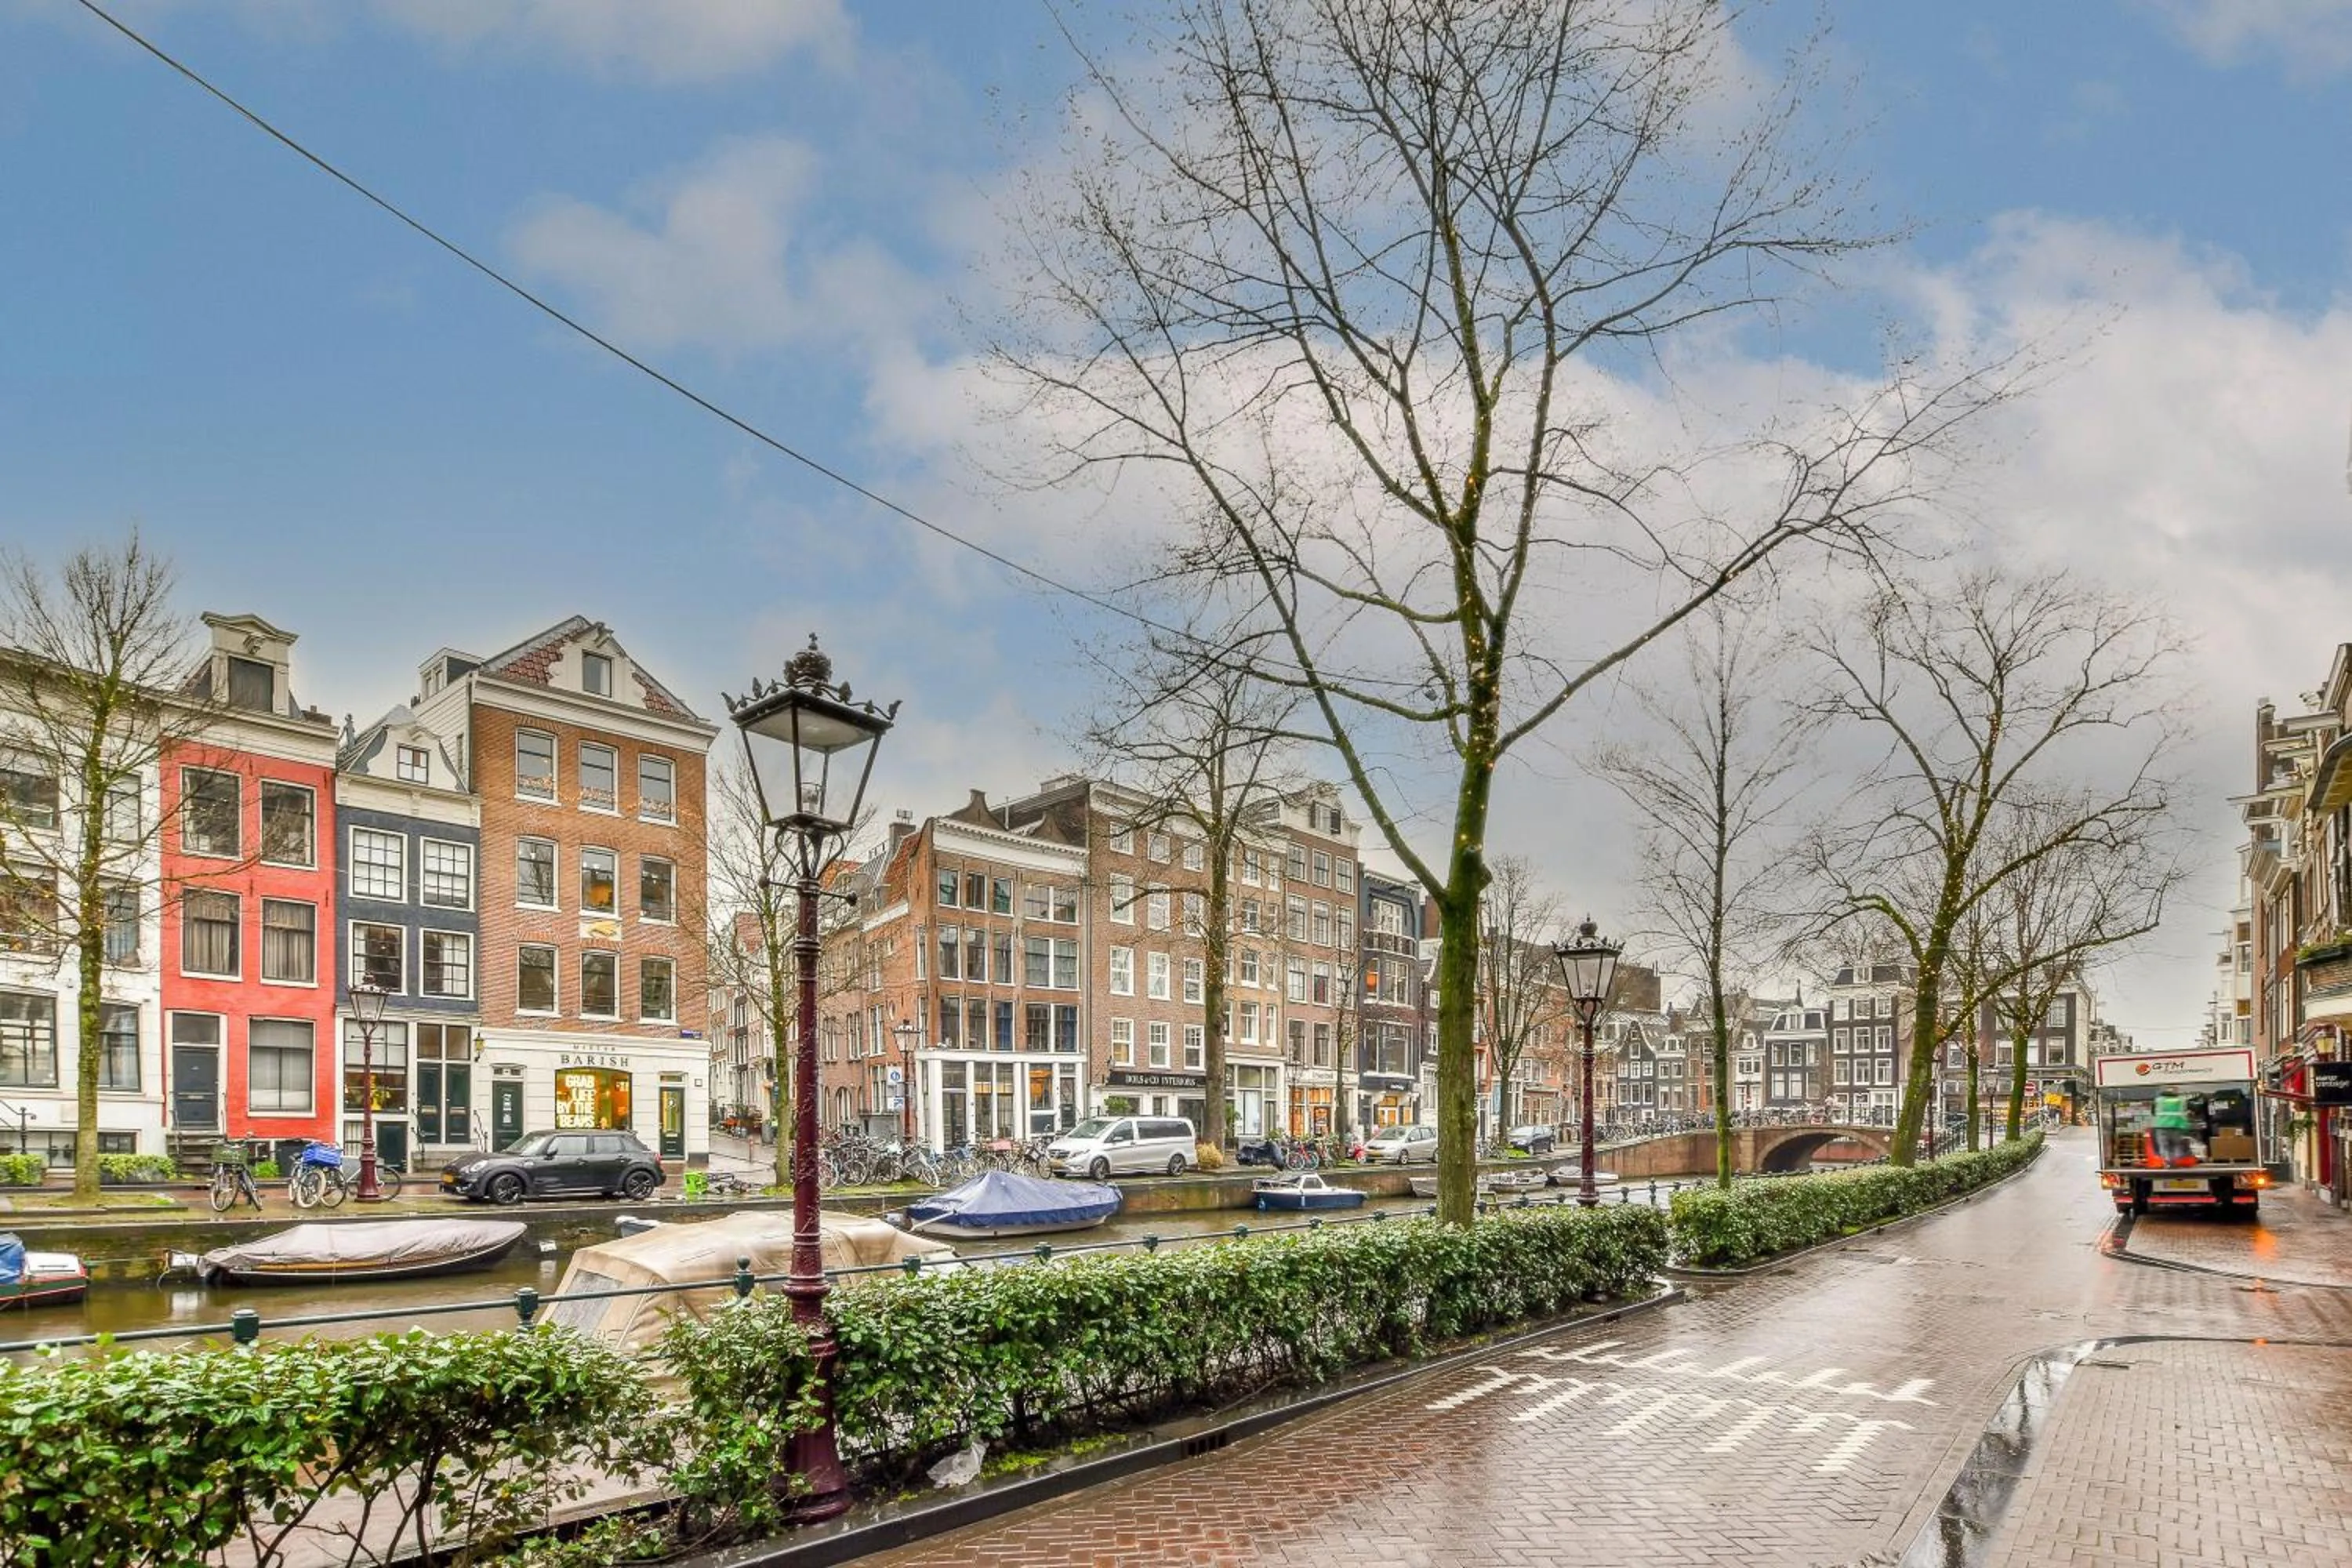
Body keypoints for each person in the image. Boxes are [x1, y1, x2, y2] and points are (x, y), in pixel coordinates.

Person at [2151, 1090, 2194, 1165]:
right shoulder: (2181, 1100)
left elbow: (2153, 1112)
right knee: (2176, 1144)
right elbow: (2187, 1112)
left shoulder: (2158, 1100)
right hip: (2177, 1125)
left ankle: (2168, 1161)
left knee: (2164, 1145)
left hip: (2162, 1126)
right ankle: (2176, 1160)